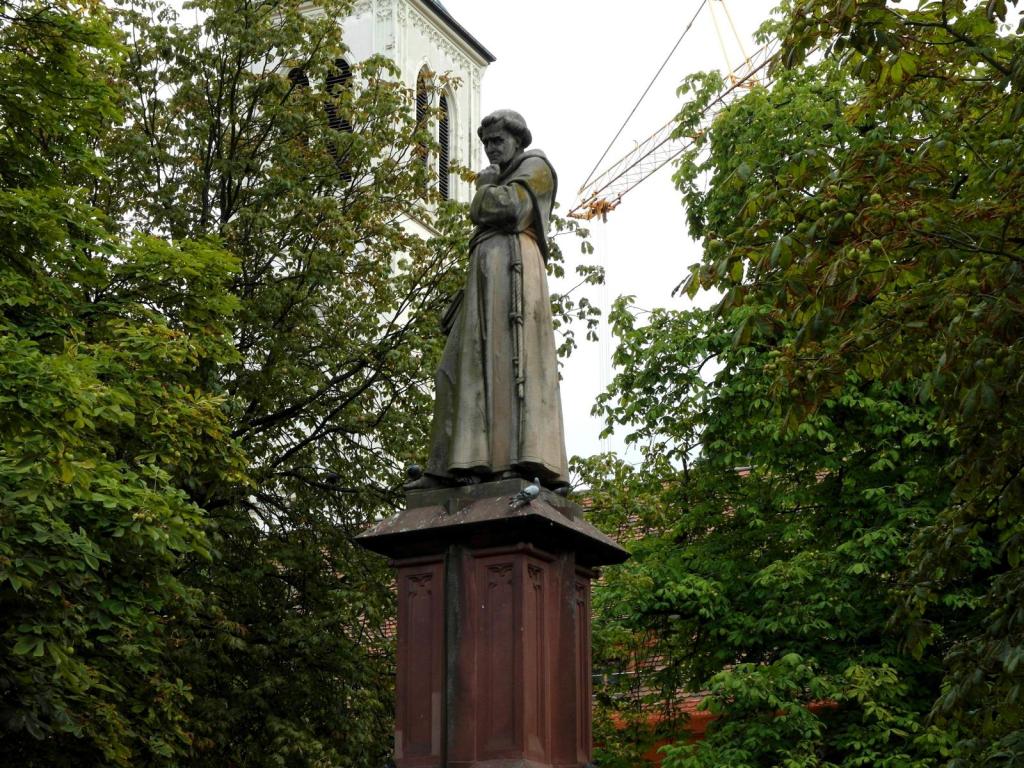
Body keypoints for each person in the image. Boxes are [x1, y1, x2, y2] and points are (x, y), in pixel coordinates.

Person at [414, 110, 569, 490]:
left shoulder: (536, 168)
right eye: (486, 144)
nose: (491, 150)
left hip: (511, 274)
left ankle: (507, 461)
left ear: (517, 140)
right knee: (454, 368)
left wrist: (484, 187)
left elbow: (509, 208)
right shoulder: (503, 174)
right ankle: (454, 463)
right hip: (486, 276)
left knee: (503, 364)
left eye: (497, 141)